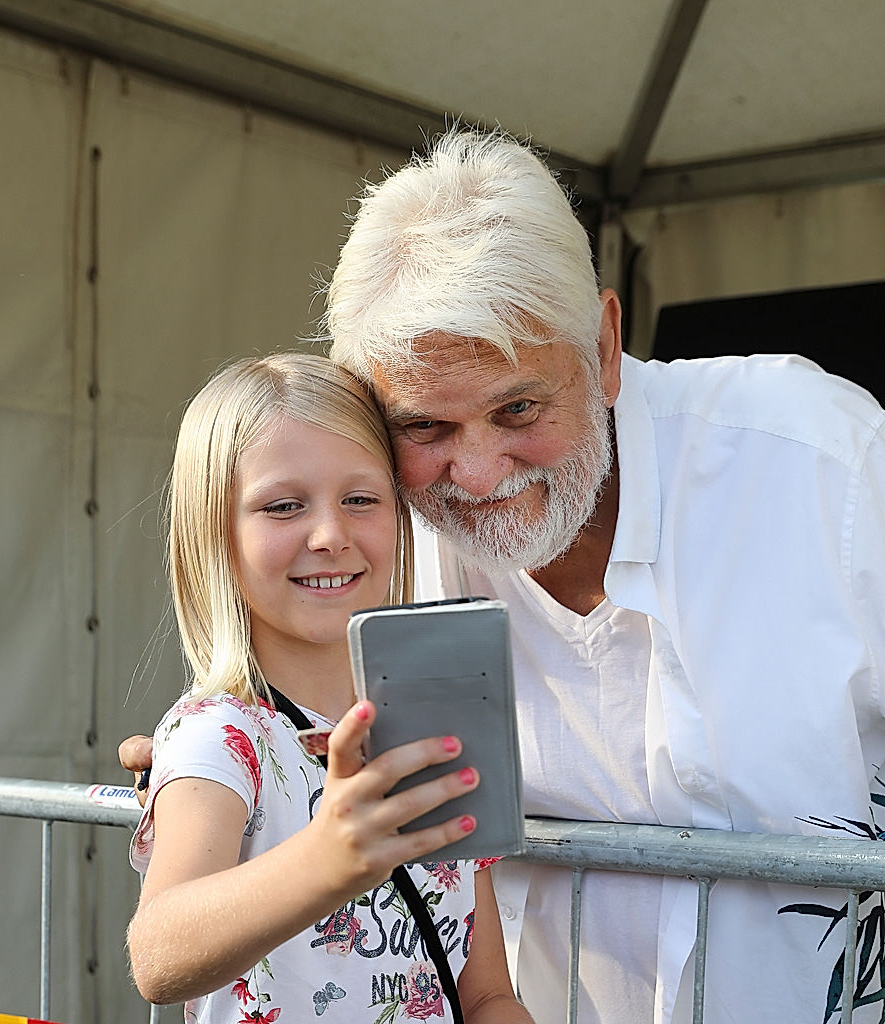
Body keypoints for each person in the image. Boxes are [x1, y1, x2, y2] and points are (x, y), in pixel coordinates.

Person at [122, 128, 885, 1024]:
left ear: (604, 346)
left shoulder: (828, 466)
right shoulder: (385, 520)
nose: (478, 476)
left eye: (517, 407)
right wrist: (221, 765)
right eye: (425, 427)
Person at [124, 352, 533, 1024]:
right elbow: (159, 957)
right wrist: (327, 857)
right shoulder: (220, 736)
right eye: (283, 506)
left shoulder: (432, 723)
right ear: (214, 534)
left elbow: (486, 993)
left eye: (361, 500)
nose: (330, 536)